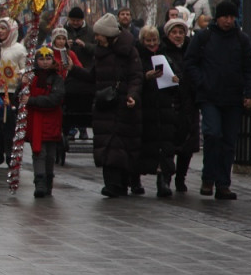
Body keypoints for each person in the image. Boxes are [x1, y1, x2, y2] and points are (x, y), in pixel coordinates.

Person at [183, 1, 251, 200]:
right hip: (210, 96)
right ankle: (208, 178)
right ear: (218, 17)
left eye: (232, 17)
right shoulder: (204, 37)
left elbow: (249, 68)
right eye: (225, 17)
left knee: (229, 141)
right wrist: (202, 82)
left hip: (233, 98)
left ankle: (223, 183)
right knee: (213, 134)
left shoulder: (241, 40)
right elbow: (190, 63)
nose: (228, 21)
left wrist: (249, 93)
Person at [67, 13, 143, 198]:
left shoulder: (129, 52)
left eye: (99, 34)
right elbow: (93, 76)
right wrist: (73, 69)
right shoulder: (100, 53)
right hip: (104, 104)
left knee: (121, 145)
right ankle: (112, 184)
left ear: (108, 35)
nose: (96, 38)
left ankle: (120, 184)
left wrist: (132, 95)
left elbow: (136, 76)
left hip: (123, 105)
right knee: (107, 145)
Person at [135, 26, 177, 197]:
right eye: (148, 41)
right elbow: (133, 79)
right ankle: (135, 178)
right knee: (144, 144)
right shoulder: (137, 57)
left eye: (154, 40)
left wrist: (175, 79)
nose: (152, 44)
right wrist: (146, 77)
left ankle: (163, 180)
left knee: (165, 146)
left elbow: (177, 82)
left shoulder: (167, 56)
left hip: (164, 108)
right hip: (146, 107)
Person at [160, 18, 198, 192]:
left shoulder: (192, 51)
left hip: (188, 102)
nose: (177, 36)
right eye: (174, 32)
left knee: (187, 145)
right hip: (170, 103)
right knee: (167, 143)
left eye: (181, 32)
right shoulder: (162, 52)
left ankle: (181, 178)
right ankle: (165, 178)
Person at [21, 47, 65, 197]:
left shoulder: (57, 78)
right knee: (39, 153)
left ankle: (48, 181)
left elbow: (55, 98)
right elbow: (18, 98)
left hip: (52, 121)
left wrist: (32, 101)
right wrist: (22, 85)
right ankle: (39, 182)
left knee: (50, 155)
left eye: (48, 59)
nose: (45, 62)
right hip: (36, 122)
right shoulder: (31, 77)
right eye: (41, 59)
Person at [0, 16, 26, 164]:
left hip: (11, 92)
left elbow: (24, 67)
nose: (1, 31)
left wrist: (20, 75)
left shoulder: (19, 49)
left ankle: (10, 153)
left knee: (9, 125)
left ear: (12, 31)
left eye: (4, 28)